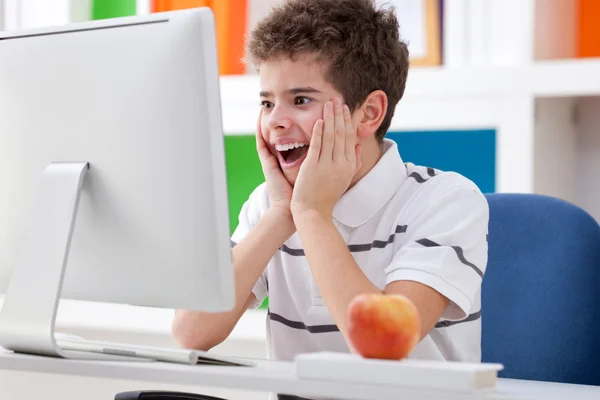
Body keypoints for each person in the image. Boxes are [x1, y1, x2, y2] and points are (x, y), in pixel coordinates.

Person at [172, 0, 489, 363]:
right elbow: (191, 332)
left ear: (368, 113)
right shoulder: (270, 207)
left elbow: (385, 343)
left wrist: (311, 214)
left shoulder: (446, 200)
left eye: (301, 99)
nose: (275, 121)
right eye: (266, 103)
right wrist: (282, 214)